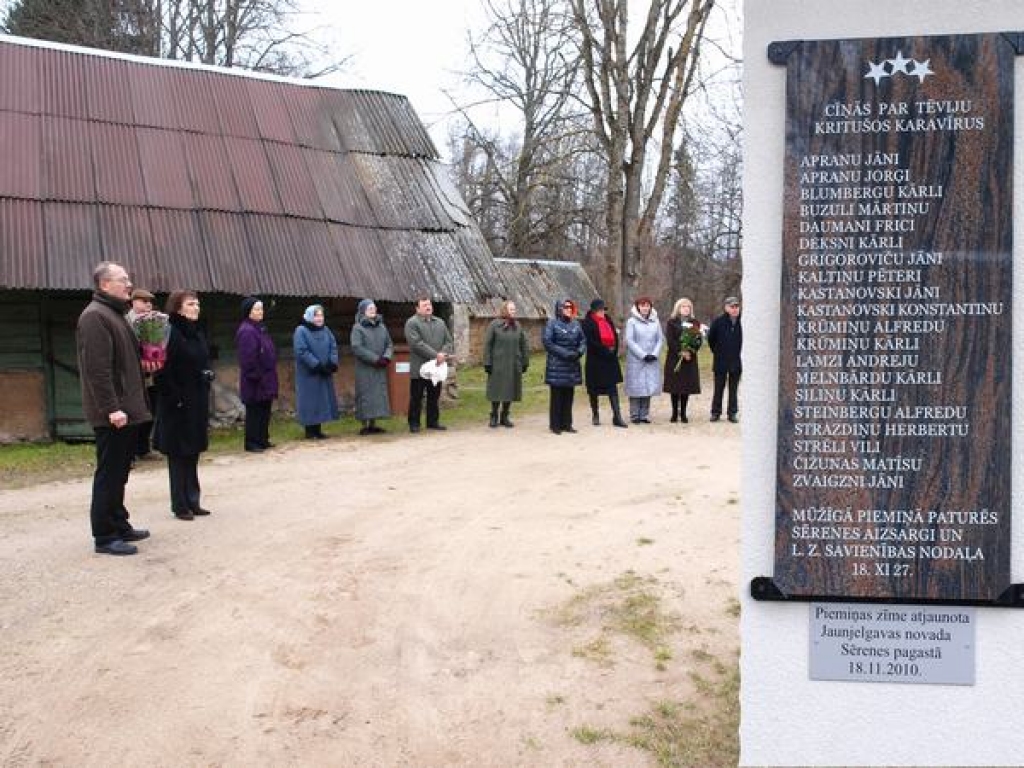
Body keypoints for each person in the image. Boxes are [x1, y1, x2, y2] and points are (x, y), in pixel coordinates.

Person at [77, 262, 153, 555]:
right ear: (104, 285)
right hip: (113, 413)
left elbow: (123, 362)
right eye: (123, 280)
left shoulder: (115, 314)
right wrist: (111, 408)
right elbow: (97, 370)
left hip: (127, 408)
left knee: (121, 470)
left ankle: (119, 523)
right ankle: (105, 536)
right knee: (110, 472)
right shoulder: (95, 317)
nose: (129, 284)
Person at [154, 291, 213, 520]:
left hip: (196, 399)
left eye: (197, 303)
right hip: (177, 403)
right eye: (190, 304)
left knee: (193, 451)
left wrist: (205, 376)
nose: (196, 307)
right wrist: (174, 398)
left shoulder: (196, 332)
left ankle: (193, 499)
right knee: (179, 454)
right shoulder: (170, 331)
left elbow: (200, 361)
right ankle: (180, 504)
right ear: (178, 308)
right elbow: (162, 371)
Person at [235, 296, 279, 452]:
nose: (260, 312)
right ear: (249, 312)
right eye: (257, 309)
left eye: (261, 308)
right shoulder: (247, 331)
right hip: (255, 379)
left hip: (266, 377)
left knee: (264, 410)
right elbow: (248, 358)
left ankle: (262, 439)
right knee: (255, 412)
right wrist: (257, 375)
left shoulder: (260, 328)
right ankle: (252, 442)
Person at [404, 296, 453, 433]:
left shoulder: (440, 323)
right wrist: (435, 355)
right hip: (419, 367)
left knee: (434, 396)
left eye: (429, 304)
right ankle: (414, 423)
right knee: (417, 396)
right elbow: (416, 344)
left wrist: (443, 354)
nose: (428, 307)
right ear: (417, 308)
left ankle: (432, 421)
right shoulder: (412, 323)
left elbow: (448, 341)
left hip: (436, 367)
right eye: (424, 305)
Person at [293, 304, 340, 439]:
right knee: (310, 401)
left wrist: (331, 363)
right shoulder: (301, 331)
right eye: (316, 315)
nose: (319, 318)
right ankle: (310, 431)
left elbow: (333, 346)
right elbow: (301, 351)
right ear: (309, 316)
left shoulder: (326, 330)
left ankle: (318, 430)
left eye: (321, 315)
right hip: (309, 374)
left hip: (324, 371)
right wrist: (316, 365)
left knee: (321, 400)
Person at [581, 298, 627, 428]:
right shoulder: (587, 322)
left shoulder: (608, 320)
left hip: (610, 360)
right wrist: (603, 350)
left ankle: (617, 416)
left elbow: (615, 336)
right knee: (593, 389)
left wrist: (614, 351)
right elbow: (590, 341)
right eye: (600, 310)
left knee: (612, 388)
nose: (602, 312)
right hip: (595, 360)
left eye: (603, 309)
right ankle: (595, 414)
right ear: (594, 311)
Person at [483, 300, 530, 428]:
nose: (514, 311)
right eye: (511, 309)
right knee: (497, 390)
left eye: (514, 309)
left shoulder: (518, 326)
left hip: (513, 363)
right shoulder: (494, 325)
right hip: (498, 364)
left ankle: (505, 416)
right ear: (504, 310)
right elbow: (488, 344)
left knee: (510, 389)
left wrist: (525, 361)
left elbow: (524, 344)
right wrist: (487, 362)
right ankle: (494, 416)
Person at [350, 298, 393, 435]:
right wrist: (375, 359)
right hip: (365, 368)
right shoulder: (358, 328)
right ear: (363, 311)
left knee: (378, 395)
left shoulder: (382, 327)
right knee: (366, 395)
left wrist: (386, 357)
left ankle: (374, 424)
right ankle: (365, 425)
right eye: (370, 308)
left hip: (380, 367)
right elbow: (357, 347)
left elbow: (389, 344)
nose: (373, 310)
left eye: (374, 308)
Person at [543, 297, 585, 434]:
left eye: (570, 307)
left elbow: (583, 340)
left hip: (572, 365)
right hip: (557, 366)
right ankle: (555, 425)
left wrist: (579, 352)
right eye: (566, 307)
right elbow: (548, 342)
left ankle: (567, 424)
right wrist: (565, 353)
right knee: (557, 397)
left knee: (569, 395)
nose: (568, 309)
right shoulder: (552, 324)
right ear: (560, 309)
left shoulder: (576, 324)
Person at [126, 288, 159, 461]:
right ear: (133, 302)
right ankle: (129, 452)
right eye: (143, 301)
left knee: (150, 411)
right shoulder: (126, 322)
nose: (148, 305)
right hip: (132, 375)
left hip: (150, 374)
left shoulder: (152, 321)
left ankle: (143, 448)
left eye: (150, 302)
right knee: (133, 413)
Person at [663, 297, 704, 423]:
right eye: (683, 306)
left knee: (686, 386)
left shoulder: (695, 323)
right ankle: (675, 412)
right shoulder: (671, 322)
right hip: (675, 358)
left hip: (689, 359)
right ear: (678, 308)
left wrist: (690, 351)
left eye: (688, 307)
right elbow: (670, 340)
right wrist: (681, 351)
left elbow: (698, 340)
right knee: (675, 386)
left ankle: (684, 413)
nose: (686, 309)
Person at [623, 296, 664, 424]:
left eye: (647, 305)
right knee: (636, 388)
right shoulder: (631, 322)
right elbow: (630, 340)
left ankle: (644, 414)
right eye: (642, 305)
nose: (645, 308)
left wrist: (654, 354)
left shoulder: (655, 321)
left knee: (648, 386)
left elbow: (660, 339)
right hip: (637, 359)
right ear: (638, 307)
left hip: (652, 358)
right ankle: (635, 415)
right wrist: (643, 354)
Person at [708, 295, 743, 423]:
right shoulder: (718, 322)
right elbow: (711, 339)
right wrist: (717, 352)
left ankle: (732, 413)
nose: (734, 309)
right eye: (732, 307)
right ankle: (715, 412)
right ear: (726, 308)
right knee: (718, 388)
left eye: (736, 306)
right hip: (721, 361)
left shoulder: (743, 322)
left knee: (733, 389)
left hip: (736, 361)